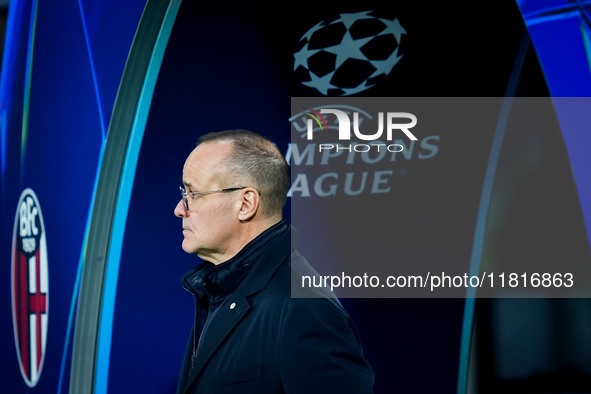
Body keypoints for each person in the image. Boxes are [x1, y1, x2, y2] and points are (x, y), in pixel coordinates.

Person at [173, 129, 374, 393]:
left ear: (245, 204)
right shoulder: (219, 290)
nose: (179, 209)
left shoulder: (304, 307)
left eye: (194, 194)